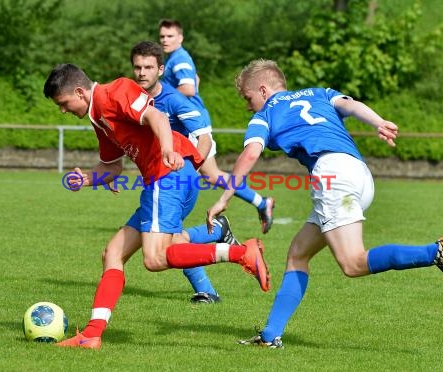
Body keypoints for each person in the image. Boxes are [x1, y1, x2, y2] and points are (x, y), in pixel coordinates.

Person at [206, 59, 443, 348]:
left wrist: (224, 198)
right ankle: (270, 335)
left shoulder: (265, 115)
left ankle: (435, 252)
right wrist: (378, 122)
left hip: (331, 176)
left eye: (248, 97)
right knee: (298, 253)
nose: (248, 105)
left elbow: (250, 155)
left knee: (353, 263)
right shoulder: (318, 92)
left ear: (263, 90)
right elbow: (351, 106)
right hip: (358, 171)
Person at [43, 63, 271, 349]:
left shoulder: (115, 91)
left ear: (79, 91)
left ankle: (241, 252)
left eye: (63, 103)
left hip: (167, 175)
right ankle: (92, 334)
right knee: (113, 252)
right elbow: (112, 168)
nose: (63, 110)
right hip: (169, 178)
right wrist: (86, 179)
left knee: (154, 259)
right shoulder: (97, 116)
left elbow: (157, 116)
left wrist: (165, 148)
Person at [130, 40, 241, 304]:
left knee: (162, 247)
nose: (142, 72)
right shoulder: (133, 98)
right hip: (156, 178)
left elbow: (204, 136)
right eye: (137, 67)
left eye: (148, 67)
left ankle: (219, 251)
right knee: (174, 238)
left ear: (160, 69)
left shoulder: (175, 100)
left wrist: (191, 164)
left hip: (175, 179)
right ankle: (214, 244)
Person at [158, 19, 275, 234]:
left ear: (180, 37)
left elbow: (189, 88)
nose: (165, 40)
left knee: (178, 170)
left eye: (170, 36)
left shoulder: (179, 59)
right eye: (162, 36)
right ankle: (261, 202)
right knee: (211, 175)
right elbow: (195, 81)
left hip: (191, 125)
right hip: (193, 122)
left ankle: (165, 222)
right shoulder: (177, 59)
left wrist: (161, 94)